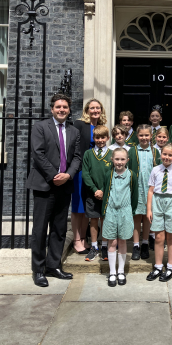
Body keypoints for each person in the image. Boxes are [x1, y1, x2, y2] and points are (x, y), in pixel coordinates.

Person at [27, 93, 80, 287]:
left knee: (58, 229)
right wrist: (54, 175)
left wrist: (68, 175)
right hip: (44, 185)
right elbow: (38, 154)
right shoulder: (41, 127)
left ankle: (54, 265)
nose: (61, 110)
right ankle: (38, 270)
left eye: (65, 107)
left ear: (68, 110)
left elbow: (77, 157)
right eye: (58, 107)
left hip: (64, 186)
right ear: (52, 109)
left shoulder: (73, 131)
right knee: (40, 230)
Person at [146, 143, 172, 282]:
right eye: (164, 154)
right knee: (158, 237)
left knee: (171, 236)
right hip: (158, 202)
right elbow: (151, 190)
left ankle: (170, 267)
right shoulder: (155, 170)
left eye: (170, 155)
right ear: (160, 154)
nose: (167, 157)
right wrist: (149, 209)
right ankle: (158, 266)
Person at [72, 98, 107, 254]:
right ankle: (76, 239)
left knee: (87, 207)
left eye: (97, 108)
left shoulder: (101, 127)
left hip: (95, 173)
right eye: (92, 108)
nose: (95, 110)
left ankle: (85, 239)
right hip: (81, 171)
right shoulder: (80, 124)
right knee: (78, 207)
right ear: (87, 110)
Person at [101, 148, 138, 287]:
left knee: (122, 241)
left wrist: (130, 211)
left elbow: (134, 194)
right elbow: (105, 192)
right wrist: (105, 211)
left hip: (125, 211)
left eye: (122, 159)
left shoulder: (131, 175)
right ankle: (112, 272)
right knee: (112, 242)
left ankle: (121, 271)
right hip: (111, 211)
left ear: (127, 160)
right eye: (117, 159)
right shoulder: (108, 174)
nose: (119, 162)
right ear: (112, 159)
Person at [128, 124, 161, 260]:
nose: (144, 138)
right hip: (137, 188)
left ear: (151, 136)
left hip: (150, 189)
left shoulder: (155, 152)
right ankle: (136, 245)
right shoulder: (131, 151)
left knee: (148, 217)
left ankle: (145, 243)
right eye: (141, 135)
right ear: (137, 136)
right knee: (137, 217)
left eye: (146, 135)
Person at [81, 125, 112, 261]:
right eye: (97, 137)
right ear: (94, 138)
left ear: (107, 138)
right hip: (92, 194)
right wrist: (95, 190)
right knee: (93, 220)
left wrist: (104, 191)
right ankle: (94, 247)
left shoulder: (112, 154)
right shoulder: (88, 154)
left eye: (103, 137)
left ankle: (104, 246)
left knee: (104, 219)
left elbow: (113, 174)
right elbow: (85, 174)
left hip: (107, 194)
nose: (100, 140)